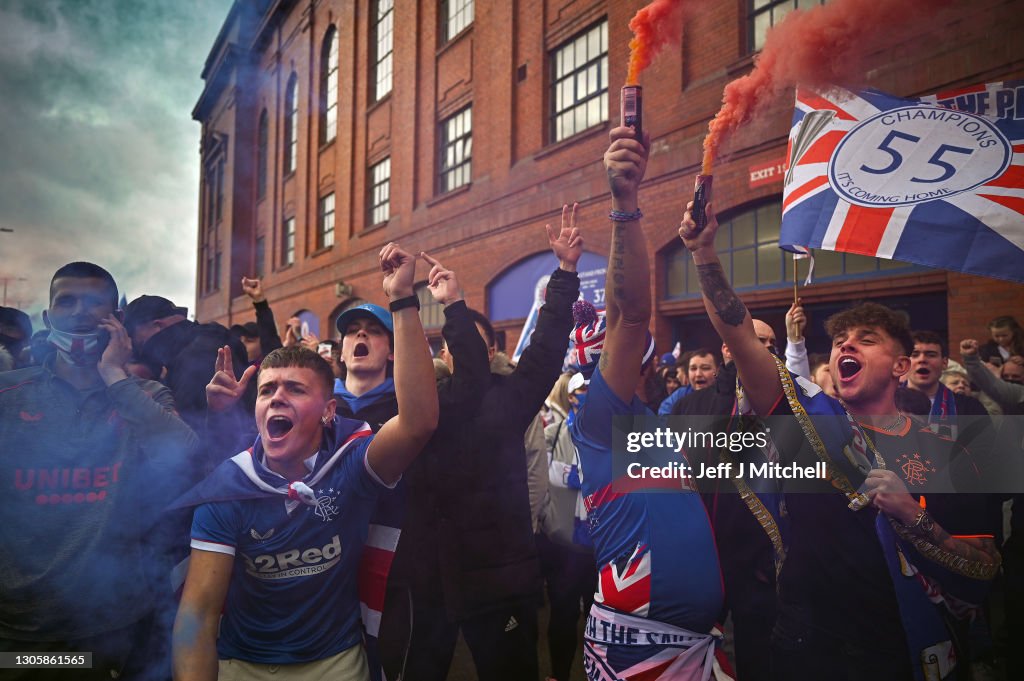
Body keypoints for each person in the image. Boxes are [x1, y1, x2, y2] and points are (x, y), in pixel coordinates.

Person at [679, 198, 1000, 680]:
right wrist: (704, 254)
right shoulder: (811, 420)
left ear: (901, 366)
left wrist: (911, 514)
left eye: (866, 338)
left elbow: (984, 573)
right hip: (805, 647)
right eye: (839, 339)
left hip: (903, 653)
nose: (846, 344)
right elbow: (744, 340)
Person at [171, 242, 438, 681]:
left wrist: (403, 299)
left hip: (336, 664)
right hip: (244, 665)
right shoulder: (229, 486)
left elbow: (418, 423)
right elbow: (196, 617)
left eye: (295, 389)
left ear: (330, 410)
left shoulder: (351, 464)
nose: (277, 396)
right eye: (266, 391)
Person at [389, 205, 582, 681]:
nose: (460, 350)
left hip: (501, 580)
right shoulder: (422, 405)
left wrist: (566, 272)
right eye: (452, 342)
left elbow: (547, 345)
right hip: (431, 579)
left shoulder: (513, 396)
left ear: (491, 349)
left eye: (471, 341)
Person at [570, 125, 726, 680]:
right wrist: (625, 203)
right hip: (638, 652)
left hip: (694, 646)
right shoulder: (596, 418)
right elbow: (631, 314)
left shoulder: (654, 419)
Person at [0, 262, 198, 680]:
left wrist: (114, 375)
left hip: (114, 625)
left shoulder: (143, 394)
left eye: (94, 303)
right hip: (21, 632)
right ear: (48, 316)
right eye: (65, 300)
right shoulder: (9, 394)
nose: (78, 311)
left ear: (118, 319)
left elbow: (187, 461)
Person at [124, 293, 252, 470]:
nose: (140, 351)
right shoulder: (204, 341)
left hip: (219, 471)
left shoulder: (195, 356)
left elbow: (194, 437)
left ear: (157, 326)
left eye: (140, 342)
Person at [538, 371, 595, 681]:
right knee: (562, 615)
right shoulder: (555, 432)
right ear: (571, 396)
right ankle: (559, 673)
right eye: (582, 388)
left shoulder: (612, 433)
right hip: (564, 542)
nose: (587, 393)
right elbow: (539, 473)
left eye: (591, 387)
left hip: (601, 542)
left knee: (599, 618)